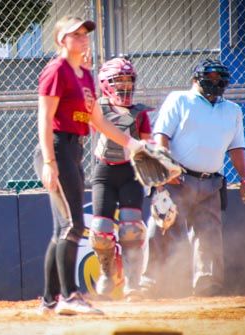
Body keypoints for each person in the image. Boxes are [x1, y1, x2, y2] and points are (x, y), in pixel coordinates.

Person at [34, 16, 148, 316]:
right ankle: (69, 296)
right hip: (57, 147)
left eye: (85, 33)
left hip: (74, 150)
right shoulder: (57, 70)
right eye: (76, 34)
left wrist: (133, 144)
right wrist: (49, 162)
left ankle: (48, 300)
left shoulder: (84, 74)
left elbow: (98, 121)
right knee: (74, 226)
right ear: (61, 40)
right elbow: (44, 119)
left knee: (62, 228)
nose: (84, 38)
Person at [141, 58, 245, 297]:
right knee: (162, 226)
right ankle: (148, 283)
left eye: (220, 78)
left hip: (211, 182)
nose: (216, 82)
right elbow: (161, 137)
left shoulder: (232, 110)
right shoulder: (179, 99)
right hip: (177, 179)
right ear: (196, 78)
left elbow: (237, 149)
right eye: (210, 77)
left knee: (209, 234)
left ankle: (207, 285)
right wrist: (166, 170)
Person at [89, 56, 152, 301]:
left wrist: (159, 177)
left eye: (129, 80)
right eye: (118, 81)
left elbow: (147, 146)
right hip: (105, 171)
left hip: (131, 173)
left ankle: (133, 283)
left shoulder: (140, 113)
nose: (125, 86)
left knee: (131, 229)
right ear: (105, 83)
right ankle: (108, 273)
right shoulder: (97, 109)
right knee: (101, 229)